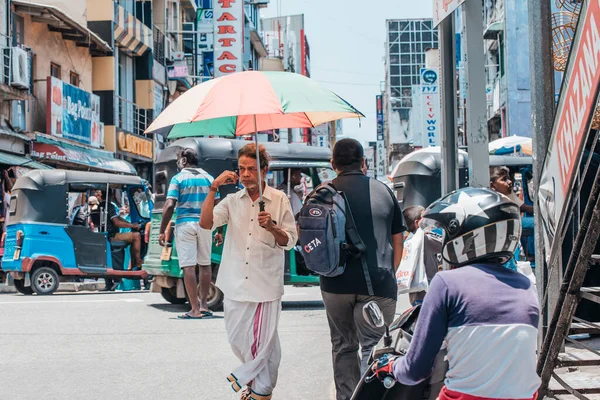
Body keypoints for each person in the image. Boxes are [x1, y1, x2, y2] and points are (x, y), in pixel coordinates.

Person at [374, 187, 540, 400]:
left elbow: (415, 370)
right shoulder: (527, 287)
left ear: (464, 237)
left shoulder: (446, 283)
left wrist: (390, 366)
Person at [200, 143, 297, 400]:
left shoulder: (278, 199)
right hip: (234, 285)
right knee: (239, 341)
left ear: (264, 170)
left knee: (264, 345)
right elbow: (206, 223)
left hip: (265, 285)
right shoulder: (232, 201)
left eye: (251, 169)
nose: (245, 174)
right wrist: (213, 188)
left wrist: (273, 228)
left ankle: (259, 392)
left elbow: (290, 240)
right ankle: (255, 385)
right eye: (241, 169)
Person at [320, 138, 406, 400]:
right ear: (364, 163)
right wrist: (387, 275)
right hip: (377, 284)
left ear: (333, 164)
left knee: (343, 346)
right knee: (373, 346)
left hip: (335, 284)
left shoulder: (322, 193)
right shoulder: (383, 191)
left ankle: (346, 397)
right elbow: (398, 243)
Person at [160, 148, 216, 320]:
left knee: (189, 267)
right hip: (206, 225)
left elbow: (169, 205)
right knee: (205, 265)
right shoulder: (209, 178)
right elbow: (218, 204)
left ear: (184, 161)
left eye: (178, 160)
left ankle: (194, 309)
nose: (178, 163)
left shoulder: (178, 178)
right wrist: (219, 229)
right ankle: (204, 306)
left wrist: (162, 230)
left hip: (185, 224)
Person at [402, 205, 443, 306]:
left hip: (415, 294)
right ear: (417, 223)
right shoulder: (426, 239)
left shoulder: (408, 240)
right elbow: (447, 243)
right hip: (429, 292)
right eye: (426, 218)